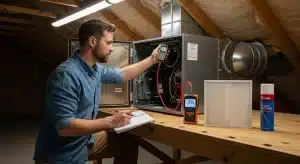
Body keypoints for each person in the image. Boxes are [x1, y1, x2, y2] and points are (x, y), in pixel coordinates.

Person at [33, 19, 160, 164]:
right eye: (108, 42)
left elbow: (124, 74)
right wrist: (110, 121)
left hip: (84, 140)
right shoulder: (66, 75)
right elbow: (65, 127)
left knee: (128, 140)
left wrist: (152, 59)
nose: (111, 48)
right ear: (92, 41)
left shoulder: (95, 69)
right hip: (60, 154)